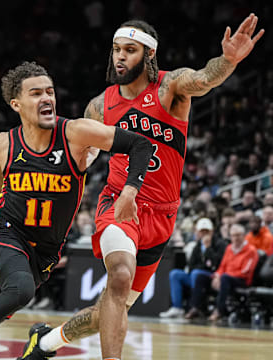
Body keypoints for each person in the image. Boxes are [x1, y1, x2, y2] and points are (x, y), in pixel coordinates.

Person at [20, 14, 265, 360]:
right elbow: (79, 159)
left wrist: (227, 61)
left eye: (130, 50)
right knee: (119, 275)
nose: (120, 56)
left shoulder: (170, 87)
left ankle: (45, 342)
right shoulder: (99, 105)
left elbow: (205, 79)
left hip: (163, 217)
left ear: (148, 54)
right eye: (116, 49)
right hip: (120, 203)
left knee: (107, 309)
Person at [0, 61, 152, 360]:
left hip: (44, 253)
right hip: (6, 233)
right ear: (16, 103)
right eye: (36, 93)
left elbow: (141, 145)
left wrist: (130, 190)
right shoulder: (4, 144)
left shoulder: (75, 133)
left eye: (50, 92)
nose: (46, 99)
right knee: (20, 289)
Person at [185, 223, 259, 321]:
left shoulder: (251, 250)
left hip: (242, 280)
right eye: (233, 235)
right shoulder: (229, 248)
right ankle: (195, 308)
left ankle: (219, 310)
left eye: (238, 235)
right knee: (200, 277)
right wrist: (217, 276)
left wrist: (223, 276)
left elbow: (246, 272)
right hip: (225, 278)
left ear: (244, 236)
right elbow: (222, 266)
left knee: (225, 278)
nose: (235, 238)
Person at [159, 218, 225, 318]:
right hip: (196, 274)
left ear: (211, 231)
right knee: (175, 274)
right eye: (201, 231)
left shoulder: (220, 244)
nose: (204, 234)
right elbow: (191, 265)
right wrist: (201, 265)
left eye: (206, 231)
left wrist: (208, 249)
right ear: (197, 232)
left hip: (211, 276)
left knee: (196, 273)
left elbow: (217, 264)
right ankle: (177, 307)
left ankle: (194, 306)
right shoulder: (197, 246)